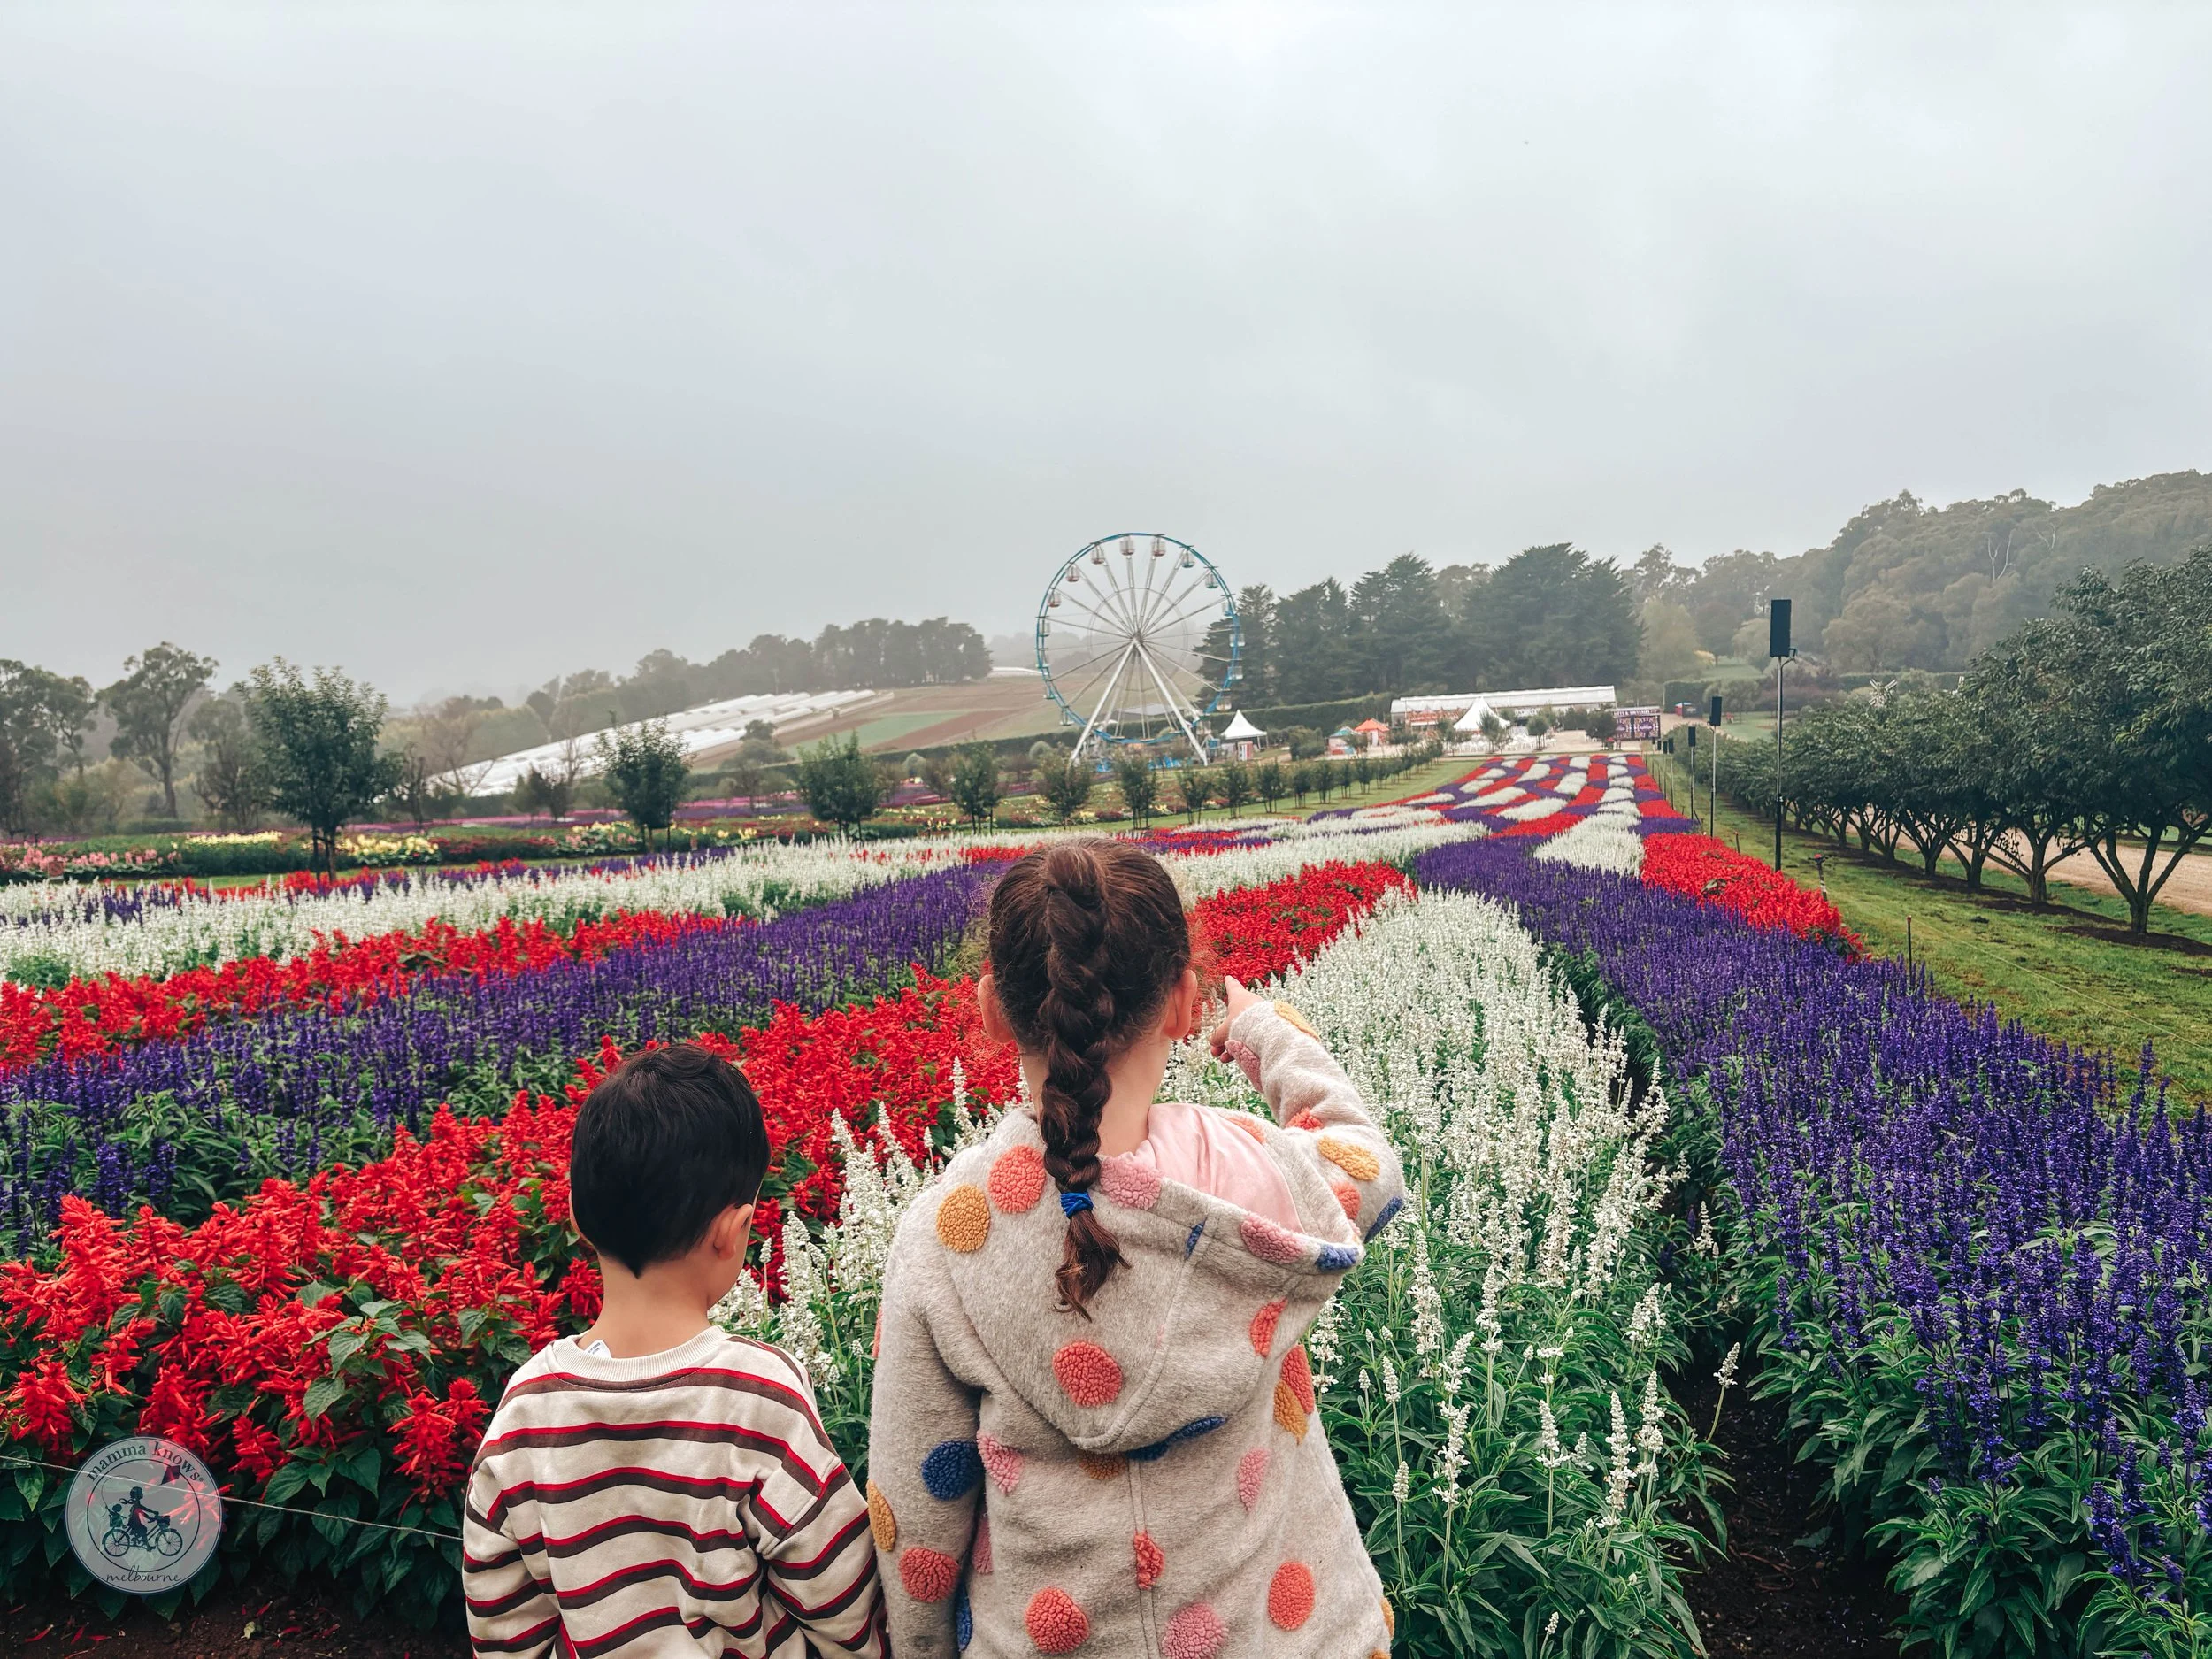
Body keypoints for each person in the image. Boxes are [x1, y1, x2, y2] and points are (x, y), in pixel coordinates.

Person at [867, 839, 1404, 1658]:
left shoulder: (948, 1231)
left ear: (991, 1012)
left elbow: (918, 1503)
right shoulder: (1245, 1176)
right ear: (1185, 1005)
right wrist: (1263, 1028)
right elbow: (1364, 1159)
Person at [463, 1042, 885, 1658]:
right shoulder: (759, 1398)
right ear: (733, 1234)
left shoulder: (525, 1409)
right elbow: (843, 1606)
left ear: (578, 1216)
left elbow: (501, 1628)